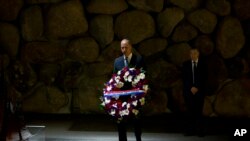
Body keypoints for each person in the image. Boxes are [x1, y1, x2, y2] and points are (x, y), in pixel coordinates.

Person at [113, 39, 145, 141]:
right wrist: (116, 84)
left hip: (135, 97)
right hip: (121, 97)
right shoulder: (117, 61)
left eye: (126, 47)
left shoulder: (139, 60)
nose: (124, 49)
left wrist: (138, 84)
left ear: (130, 47)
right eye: (122, 47)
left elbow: (144, 75)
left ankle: (138, 139)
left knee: (136, 121)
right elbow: (114, 77)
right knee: (121, 122)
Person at [182, 48, 207, 136]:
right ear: (189, 54)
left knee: (199, 111)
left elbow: (204, 78)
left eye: (195, 53)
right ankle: (190, 130)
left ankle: (200, 131)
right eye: (191, 53)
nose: (193, 55)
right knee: (189, 111)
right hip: (189, 91)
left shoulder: (203, 64)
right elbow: (184, 78)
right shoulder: (185, 65)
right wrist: (190, 87)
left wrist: (197, 87)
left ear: (198, 54)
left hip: (200, 91)